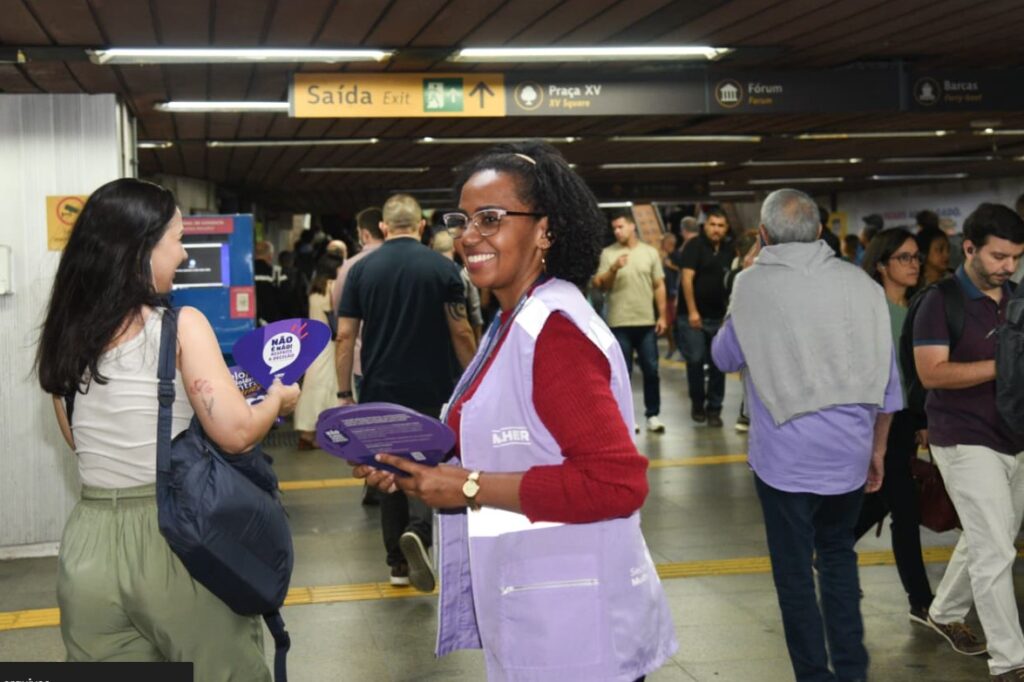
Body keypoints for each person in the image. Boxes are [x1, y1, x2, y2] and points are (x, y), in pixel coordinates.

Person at [355, 141, 677, 682]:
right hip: (540, 609)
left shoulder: (553, 333)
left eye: (491, 219)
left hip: (577, 628)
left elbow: (617, 485)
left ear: (545, 230)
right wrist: (410, 467)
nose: (469, 235)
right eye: (463, 219)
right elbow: (495, 438)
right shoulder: (515, 321)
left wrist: (470, 487)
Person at [34, 178, 300, 680]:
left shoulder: (64, 333)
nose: (182, 255)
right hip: (175, 536)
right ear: (140, 247)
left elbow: (78, 440)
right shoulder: (180, 325)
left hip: (88, 546)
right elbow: (236, 433)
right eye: (176, 239)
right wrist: (278, 400)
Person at [712, 188, 901, 682]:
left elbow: (723, 357)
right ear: (821, 232)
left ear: (764, 235)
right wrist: (876, 452)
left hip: (784, 462)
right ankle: (853, 669)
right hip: (849, 456)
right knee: (838, 557)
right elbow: (889, 382)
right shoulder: (863, 286)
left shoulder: (752, 285)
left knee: (794, 573)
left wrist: (745, 276)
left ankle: (814, 676)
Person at [335, 194, 477, 590]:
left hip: (380, 388)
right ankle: (420, 529)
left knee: (386, 468)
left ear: (383, 227)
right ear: (419, 226)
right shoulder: (443, 267)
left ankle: (397, 565)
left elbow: (345, 335)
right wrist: (474, 382)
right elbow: (462, 330)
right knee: (429, 462)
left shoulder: (363, 271)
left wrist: (345, 392)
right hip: (435, 386)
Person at [913, 203, 1024, 681]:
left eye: (1016, 257)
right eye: (999, 257)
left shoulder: (1015, 298)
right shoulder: (939, 302)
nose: (1009, 267)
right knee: (996, 549)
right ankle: (1010, 659)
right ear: (970, 248)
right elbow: (931, 372)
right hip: (962, 437)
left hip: (1014, 434)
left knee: (991, 536)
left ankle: (944, 609)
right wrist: (1005, 366)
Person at [854, 228, 935, 623]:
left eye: (917, 256)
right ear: (881, 263)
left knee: (883, 493)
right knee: (903, 506)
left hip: (906, 416)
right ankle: (921, 599)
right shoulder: (868, 309)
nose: (914, 264)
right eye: (904, 257)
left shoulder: (922, 307)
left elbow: (920, 372)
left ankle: (831, 543)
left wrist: (923, 418)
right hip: (873, 417)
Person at [592, 211, 668, 433]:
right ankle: (626, 416)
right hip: (619, 321)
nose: (617, 231)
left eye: (621, 226)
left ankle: (652, 414)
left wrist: (662, 315)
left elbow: (659, 285)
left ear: (633, 226)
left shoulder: (650, 253)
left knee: (651, 370)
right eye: (614, 228)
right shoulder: (608, 254)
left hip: (645, 321)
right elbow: (599, 284)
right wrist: (614, 268)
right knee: (622, 373)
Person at [678, 209, 732, 427]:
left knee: (719, 364)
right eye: (712, 224)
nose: (716, 229)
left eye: (720, 225)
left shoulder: (729, 250)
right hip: (694, 318)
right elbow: (687, 279)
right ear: (705, 226)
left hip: (719, 318)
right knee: (696, 360)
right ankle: (698, 404)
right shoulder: (694, 246)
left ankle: (715, 409)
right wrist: (692, 311)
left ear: (726, 228)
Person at [293, 256, 340, 450]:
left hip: (314, 343)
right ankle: (322, 432)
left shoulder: (314, 289)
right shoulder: (333, 287)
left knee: (313, 386)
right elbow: (336, 315)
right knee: (329, 387)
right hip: (329, 344)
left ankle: (308, 431)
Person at [432, 230, 484, 341]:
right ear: (453, 248)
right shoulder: (463, 273)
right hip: (462, 332)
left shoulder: (427, 273)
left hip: (435, 336)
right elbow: (475, 310)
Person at [660, 232, 681, 359]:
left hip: (675, 294)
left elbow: (683, 271)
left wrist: (670, 266)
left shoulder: (677, 256)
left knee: (674, 323)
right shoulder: (665, 257)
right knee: (668, 323)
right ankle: (672, 347)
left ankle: (678, 348)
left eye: (664, 243)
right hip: (666, 294)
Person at [254, 240, 283, 325]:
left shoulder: (247, 273)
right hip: (271, 321)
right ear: (270, 256)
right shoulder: (276, 273)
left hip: (253, 320)